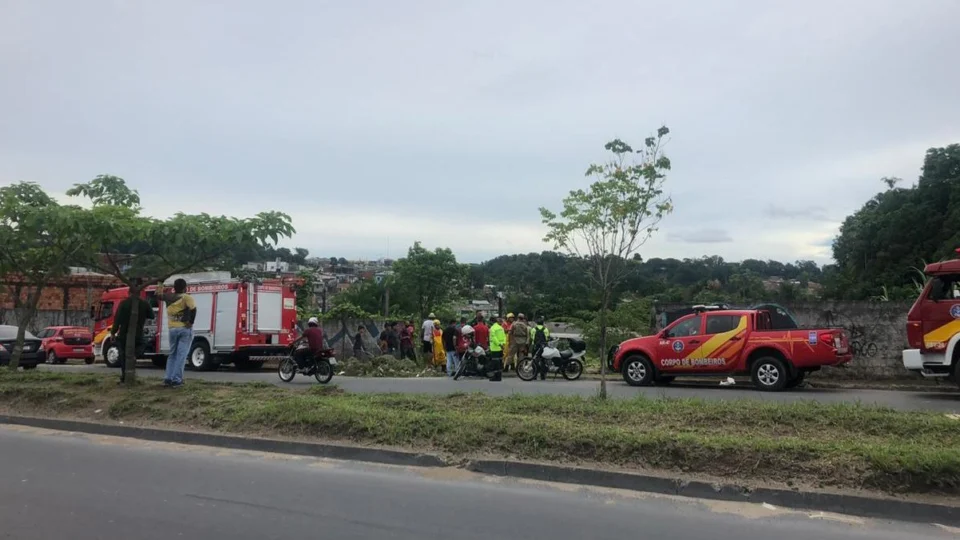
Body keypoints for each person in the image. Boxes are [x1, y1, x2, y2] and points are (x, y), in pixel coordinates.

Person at [110, 279, 154, 384]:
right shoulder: (144, 303)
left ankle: (125, 377)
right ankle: (135, 355)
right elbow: (151, 315)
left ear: (129, 293)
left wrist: (113, 332)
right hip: (138, 333)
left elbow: (117, 319)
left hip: (124, 334)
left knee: (124, 356)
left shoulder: (124, 303)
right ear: (139, 293)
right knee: (143, 344)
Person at [162, 278, 197, 387]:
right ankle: (177, 380)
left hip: (172, 329)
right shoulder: (186, 297)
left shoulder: (168, 297)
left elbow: (157, 294)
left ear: (174, 288)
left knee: (172, 354)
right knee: (181, 355)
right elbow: (193, 309)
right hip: (184, 329)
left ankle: (168, 378)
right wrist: (191, 322)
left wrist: (160, 282)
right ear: (185, 287)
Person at [530, 316, 551, 380]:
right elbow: (547, 338)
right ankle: (542, 375)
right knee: (543, 361)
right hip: (543, 347)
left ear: (537, 323)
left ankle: (534, 375)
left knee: (534, 360)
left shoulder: (533, 329)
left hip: (535, 347)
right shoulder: (546, 329)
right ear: (543, 323)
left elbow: (532, 337)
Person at [488, 316, 506, 382]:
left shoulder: (492, 328)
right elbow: (504, 336)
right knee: (499, 363)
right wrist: (503, 344)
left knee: (495, 364)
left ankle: (495, 377)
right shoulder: (500, 327)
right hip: (501, 348)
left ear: (491, 321)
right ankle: (499, 377)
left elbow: (493, 338)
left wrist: (499, 344)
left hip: (495, 348)